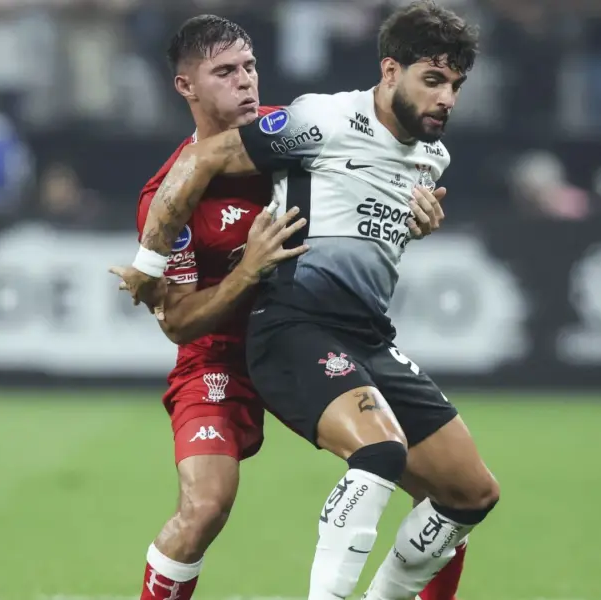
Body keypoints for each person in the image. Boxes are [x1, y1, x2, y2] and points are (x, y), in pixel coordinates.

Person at [114, 13, 471, 600]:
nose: (246, 82)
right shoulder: (167, 198)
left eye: (250, 66)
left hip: (313, 337)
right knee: (204, 507)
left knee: (453, 494)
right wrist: (244, 272)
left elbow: (376, 171)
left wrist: (413, 212)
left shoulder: (293, 135)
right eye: (225, 72)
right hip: (221, 360)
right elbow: (178, 323)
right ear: (186, 86)